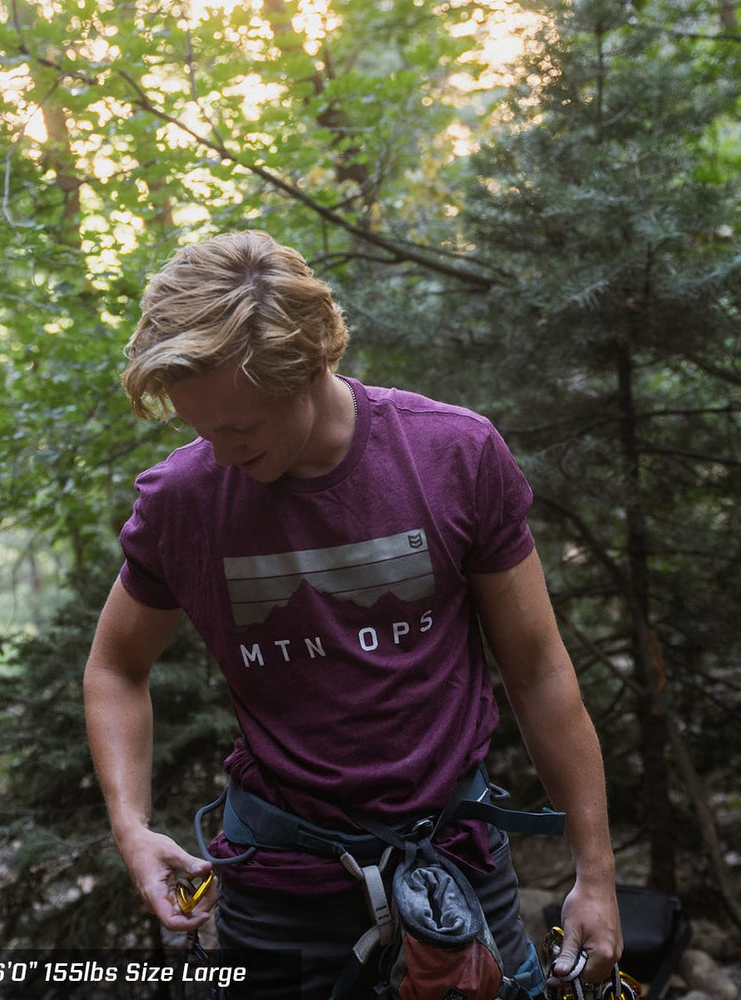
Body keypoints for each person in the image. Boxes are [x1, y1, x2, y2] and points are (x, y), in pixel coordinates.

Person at [83, 230, 622, 999]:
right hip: (275, 890)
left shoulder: (452, 457)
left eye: (241, 429)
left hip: (456, 868)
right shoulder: (184, 499)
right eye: (202, 432)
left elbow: (537, 671)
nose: (223, 455)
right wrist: (131, 827)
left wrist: (595, 876)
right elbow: (114, 668)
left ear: (312, 364)